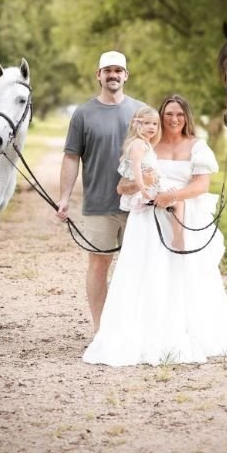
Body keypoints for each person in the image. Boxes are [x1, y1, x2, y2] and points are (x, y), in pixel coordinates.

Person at [83, 94, 227, 366]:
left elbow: (201, 186)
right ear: (159, 117)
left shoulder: (197, 147)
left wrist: (171, 196)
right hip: (147, 221)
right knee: (147, 273)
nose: (174, 119)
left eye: (180, 114)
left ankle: (188, 328)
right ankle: (142, 331)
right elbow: (123, 186)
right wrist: (145, 188)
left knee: (184, 274)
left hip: (182, 216)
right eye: (168, 114)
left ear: (187, 117)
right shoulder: (146, 146)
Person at [56, 51, 145, 332]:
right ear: (99, 75)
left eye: (118, 70)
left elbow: (159, 155)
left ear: (126, 75)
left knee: (138, 267)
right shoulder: (83, 114)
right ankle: (101, 330)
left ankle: (133, 329)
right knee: (98, 266)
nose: (113, 75)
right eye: (108, 70)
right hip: (98, 205)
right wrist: (64, 198)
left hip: (138, 207)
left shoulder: (141, 112)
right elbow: (71, 157)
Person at [118, 106, 184, 249]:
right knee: (178, 201)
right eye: (147, 123)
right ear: (137, 125)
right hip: (148, 185)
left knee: (176, 199)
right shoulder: (139, 143)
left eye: (155, 124)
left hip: (152, 182)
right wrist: (142, 187)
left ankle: (173, 236)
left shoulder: (145, 143)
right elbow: (135, 167)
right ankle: (178, 238)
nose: (152, 127)